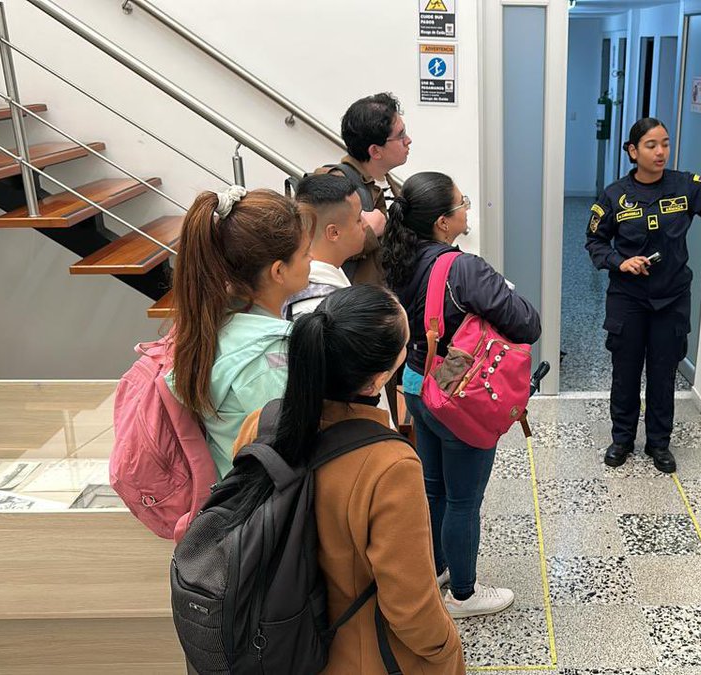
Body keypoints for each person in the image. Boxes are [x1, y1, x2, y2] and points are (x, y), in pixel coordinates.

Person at [232, 285, 466, 675]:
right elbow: (410, 608)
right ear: (376, 381)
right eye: (404, 345)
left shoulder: (261, 423)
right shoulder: (390, 468)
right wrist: (447, 649)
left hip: (271, 644)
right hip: (356, 656)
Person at [381, 171, 541, 617]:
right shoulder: (462, 269)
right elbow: (528, 323)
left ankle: (436, 569)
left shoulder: (397, 258)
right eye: (462, 203)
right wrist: (506, 291)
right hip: (455, 395)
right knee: (464, 499)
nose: (467, 209)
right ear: (442, 223)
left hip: (416, 385)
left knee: (434, 489)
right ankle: (464, 595)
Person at [586, 117, 701, 473]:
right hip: (628, 299)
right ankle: (622, 439)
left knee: (663, 372)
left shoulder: (686, 186)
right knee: (625, 372)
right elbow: (594, 241)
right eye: (651, 145)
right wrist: (620, 262)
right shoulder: (614, 195)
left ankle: (658, 444)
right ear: (633, 151)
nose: (660, 152)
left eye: (665, 143)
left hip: (671, 299)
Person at [168, 186, 310, 478]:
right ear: (278, 272)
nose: (312, 262)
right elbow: (296, 450)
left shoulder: (214, 323)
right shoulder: (267, 361)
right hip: (268, 509)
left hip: (232, 494)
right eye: (306, 254)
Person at [316, 92, 411, 286]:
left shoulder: (391, 185)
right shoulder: (334, 183)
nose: (408, 140)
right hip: (354, 307)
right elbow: (318, 248)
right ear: (375, 151)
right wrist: (369, 231)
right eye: (400, 136)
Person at [284, 174, 369, 319]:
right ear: (334, 232)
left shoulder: (324, 273)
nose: (366, 224)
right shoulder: (317, 309)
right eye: (358, 218)